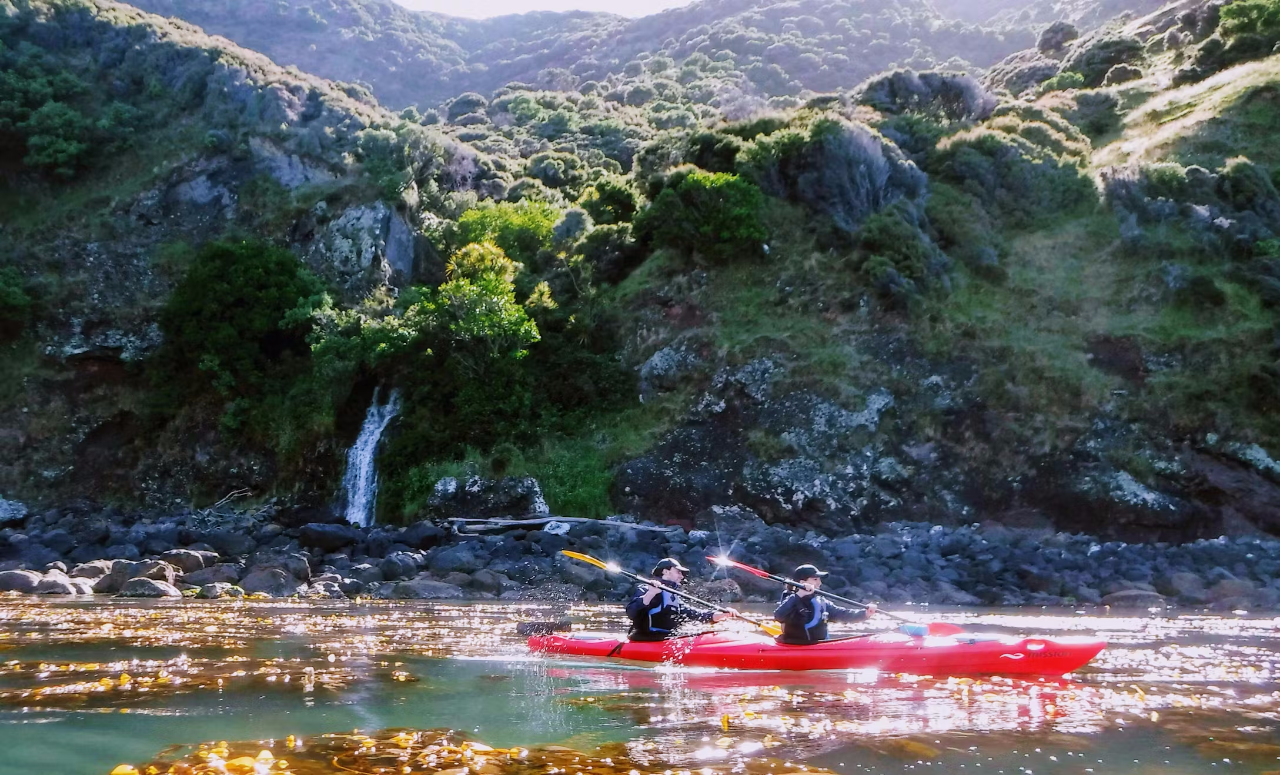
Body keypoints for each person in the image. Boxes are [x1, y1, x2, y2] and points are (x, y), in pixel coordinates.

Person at [626, 558, 738, 641]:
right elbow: (631, 613)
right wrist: (650, 594)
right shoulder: (647, 588)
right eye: (678, 571)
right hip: (647, 639)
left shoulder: (672, 595)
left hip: (667, 637)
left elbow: (692, 613)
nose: (681, 576)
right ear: (665, 572)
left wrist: (720, 615)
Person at [773, 564, 876, 645]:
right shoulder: (792, 599)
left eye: (819, 579)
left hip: (819, 646)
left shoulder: (820, 601)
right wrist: (799, 594)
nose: (819, 583)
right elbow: (779, 616)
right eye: (815, 579)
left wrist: (865, 614)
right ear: (802, 582)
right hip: (796, 646)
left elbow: (842, 614)